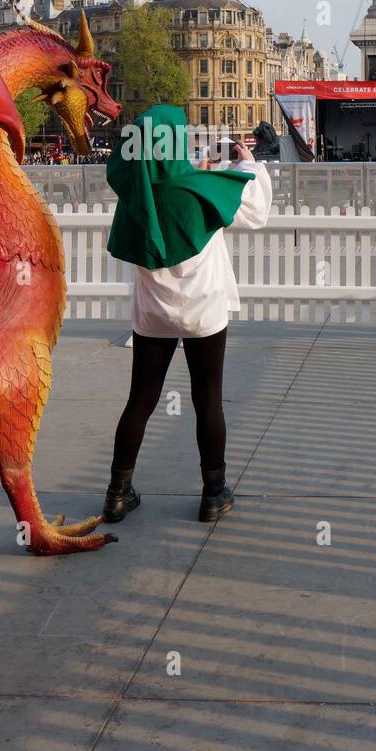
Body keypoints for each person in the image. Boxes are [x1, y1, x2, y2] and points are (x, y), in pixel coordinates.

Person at [102, 106, 273, 524]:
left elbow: (155, 178)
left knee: (140, 399)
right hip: (204, 310)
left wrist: (199, 166)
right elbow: (254, 208)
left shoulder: (134, 191)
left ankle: (117, 493)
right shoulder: (202, 188)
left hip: (153, 313)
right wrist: (248, 160)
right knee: (207, 398)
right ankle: (213, 493)